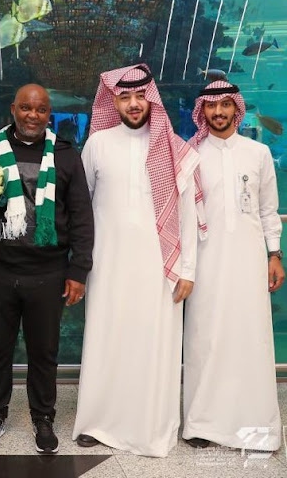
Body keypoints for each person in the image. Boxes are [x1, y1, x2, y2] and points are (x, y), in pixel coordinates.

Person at [72, 64, 203, 457]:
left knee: (152, 345)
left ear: (151, 98)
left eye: (139, 96)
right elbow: (82, 208)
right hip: (108, 265)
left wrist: (188, 270)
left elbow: (187, 217)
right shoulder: (97, 144)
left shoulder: (175, 148)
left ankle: (149, 428)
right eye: (124, 97)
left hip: (159, 267)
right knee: (106, 341)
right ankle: (97, 423)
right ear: (113, 100)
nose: (132, 104)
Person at [0, 84, 94, 454]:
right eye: (25, 108)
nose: (32, 115)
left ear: (49, 113)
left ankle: (44, 418)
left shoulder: (67, 156)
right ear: (13, 109)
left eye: (41, 110)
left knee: (44, 352)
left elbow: (81, 218)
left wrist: (79, 271)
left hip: (48, 271)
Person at [182, 81, 283, 450]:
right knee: (203, 340)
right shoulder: (190, 155)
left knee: (249, 339)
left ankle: (254, 426)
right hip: (205, 262)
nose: (219, 112)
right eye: (212, 106)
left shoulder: (257, 153)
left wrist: (275, 255)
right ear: (203, 110)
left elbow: (268, 209)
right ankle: (202, 425)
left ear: (236, 109)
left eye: (226, 105)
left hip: (248, 260)